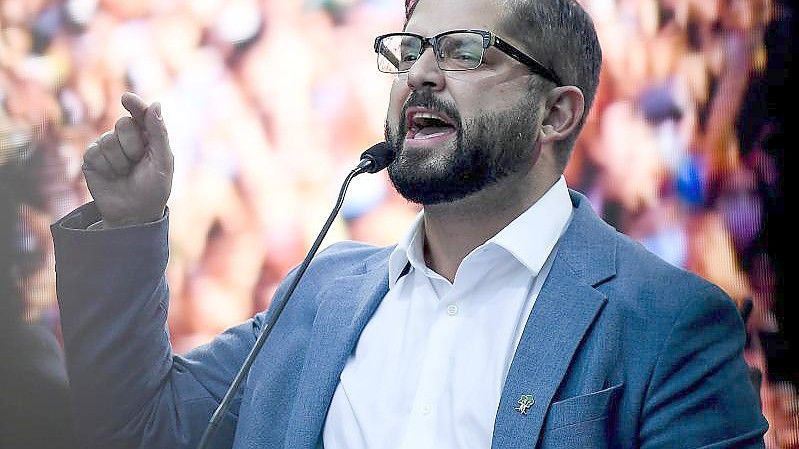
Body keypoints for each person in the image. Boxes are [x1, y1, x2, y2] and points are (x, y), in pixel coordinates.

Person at [50, 0, 768, 447]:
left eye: (461, 50)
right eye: (409, 49)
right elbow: (135, 429)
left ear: (556, 113)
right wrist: (130, 224)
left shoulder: (666, 321)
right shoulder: (318, 295)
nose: (420, 73)